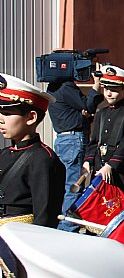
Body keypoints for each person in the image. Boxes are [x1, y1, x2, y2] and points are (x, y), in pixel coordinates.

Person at [0, 73, 65, 227]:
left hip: (20, 239)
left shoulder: (42, 159)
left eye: (7, 114)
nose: (1, 119)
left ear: (31, 117)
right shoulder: (4, 153)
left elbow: (45, 216)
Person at [47, 67, 104, 232]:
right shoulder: (66, 87)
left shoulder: (53, 87)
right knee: (74, 187)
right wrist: (97, 83)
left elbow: (74, 111)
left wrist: (83, 116)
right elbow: (89, 105)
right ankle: (67, 229)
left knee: (66, 186)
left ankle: (62, 225)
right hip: (73, 140)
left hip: (64, 140)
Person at [82, 65, 124, 197]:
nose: (108, 93)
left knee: (122, 203)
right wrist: (88, 161)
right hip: (99, 167)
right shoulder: (102, 113)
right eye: (106, 89)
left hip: (120, 169)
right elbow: (95, 141)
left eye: (114, 90)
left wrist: (111, 165)